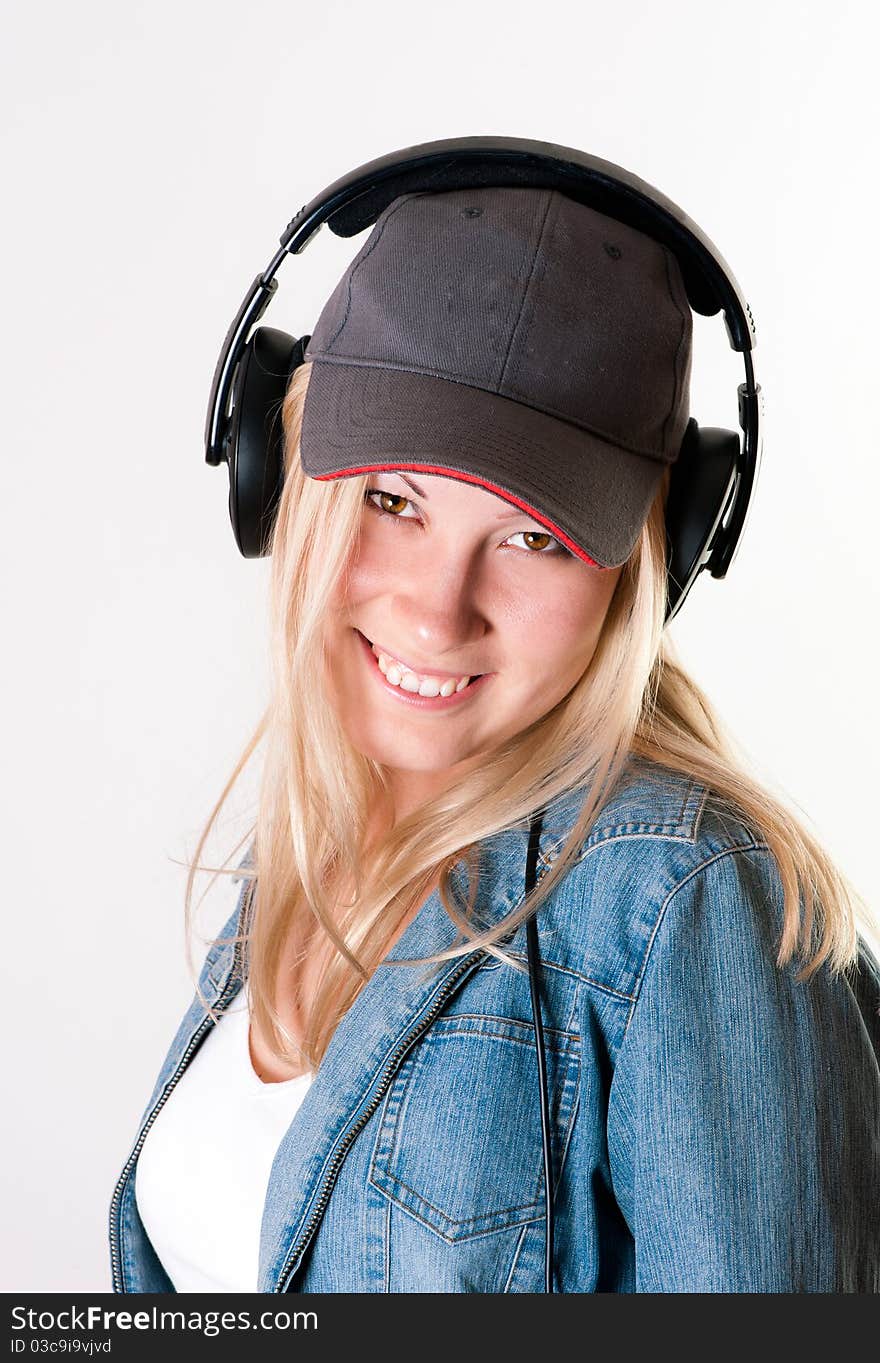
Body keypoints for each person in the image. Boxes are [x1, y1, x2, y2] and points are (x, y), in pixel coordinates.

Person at [110, 185, 880, 1294]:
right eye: (393, 501)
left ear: (655, 560)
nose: (436, 610)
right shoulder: (321, 839)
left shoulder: (690, 904)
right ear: (272, 472)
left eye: (532, 534)